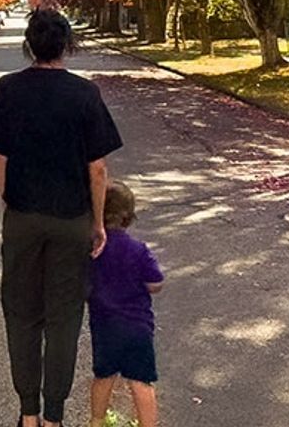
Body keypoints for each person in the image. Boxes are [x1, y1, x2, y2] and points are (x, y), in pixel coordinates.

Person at [0, 4, 123, 427]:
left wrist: (8, 197)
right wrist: (97, 223)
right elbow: (97, 168)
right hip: (70, 219)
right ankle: (54, 417)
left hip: (23, 216)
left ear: (29, 45)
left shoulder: (9, 89)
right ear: (66, 45)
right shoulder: (85, 94)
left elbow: (0, 152)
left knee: (22, 313)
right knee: (64, 317)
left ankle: (27, 412)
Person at [86, 180, 163, 427]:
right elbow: (155, 283)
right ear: (129, 217)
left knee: (103, 377)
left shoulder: (92, 250)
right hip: (138, 327)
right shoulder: (138, 250)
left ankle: (97, 421)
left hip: (105, 326)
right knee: (141, 381)